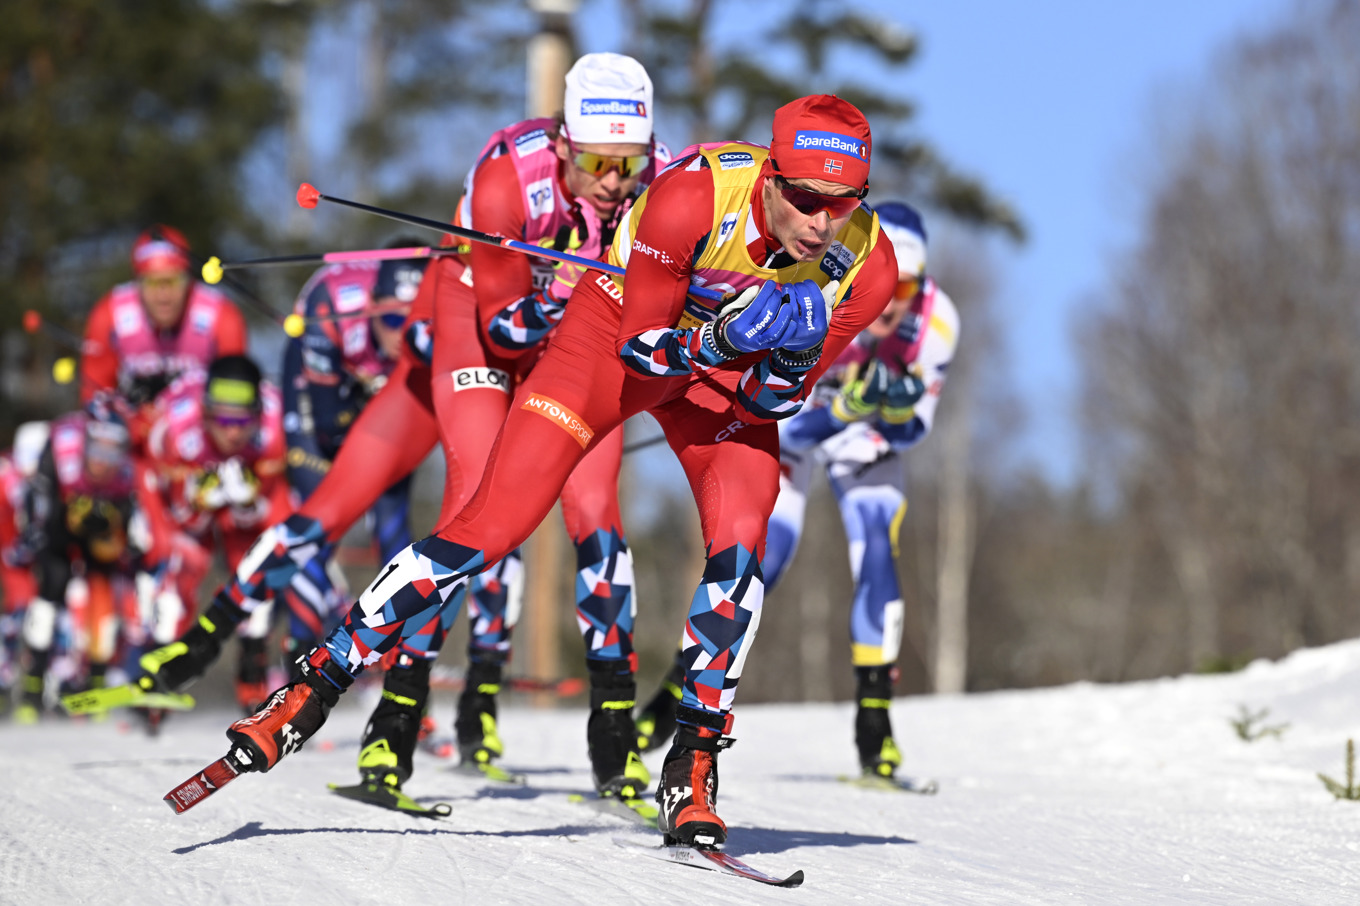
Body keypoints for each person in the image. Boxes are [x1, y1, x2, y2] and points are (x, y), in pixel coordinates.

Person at [222, 93, 898, 849]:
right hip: (615, 340)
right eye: (805, 198)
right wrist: (722, 338)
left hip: (719, 379)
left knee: (745, 539)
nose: (820, 222)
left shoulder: (868, 266)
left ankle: (694, 761)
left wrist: (794, 357)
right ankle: (315, 682)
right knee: (490, 526)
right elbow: (642, 349)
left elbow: (772, 400)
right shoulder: (692, 197)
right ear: (772, 177)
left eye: (842, 205)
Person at [144, 53, 668, 801]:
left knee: (595, 509)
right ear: (561, 144)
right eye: (596, 162)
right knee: (473, 508)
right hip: (481, 326)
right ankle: (392, 725)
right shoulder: (506, 177)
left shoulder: (667, 182)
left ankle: (614, 738)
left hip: (577, 336)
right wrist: (580, 288)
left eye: (631, 163)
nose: (617, 183)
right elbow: (508, 329)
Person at [634, 202, 959, 786]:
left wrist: (895, 411)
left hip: (865, 443)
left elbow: (916, 430)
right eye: (891, 286)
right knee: (762, 561)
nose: (893, 304)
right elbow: (789, 422)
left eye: (908, 288)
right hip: (801, 428)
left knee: (878, 552)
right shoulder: (829, 287)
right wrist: (845, 408)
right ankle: (669, 702)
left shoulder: (937, 321)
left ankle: (874, 728)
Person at [279, 249, 430, 660]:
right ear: (372, 309)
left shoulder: (431, 330)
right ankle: (297, 653)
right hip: (321, 383)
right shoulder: (332, 303)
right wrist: (366, 405)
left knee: (393, 526)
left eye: (415, 323)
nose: (403, 336)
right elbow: (328, 424)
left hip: (375, 388)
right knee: (319, 517)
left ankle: (401, 668)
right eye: (393, 322)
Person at [139, 355, 290, 712]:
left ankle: (252, 669)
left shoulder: (276, 431)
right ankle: (157, 669)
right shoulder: (175, 431)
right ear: (205, 413)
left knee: (259, 564)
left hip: (248, 510)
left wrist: (245, 504)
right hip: (185, 502)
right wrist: (197, 499)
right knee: (180, 565)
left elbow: (272, 517)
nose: (233, 432)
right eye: (222, 420)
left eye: (243, 421)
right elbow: (180, 519)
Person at [14, 399, 147, 722]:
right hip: (58, 516)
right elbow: (39, 513)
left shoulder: (125, 474)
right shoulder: (60, 453)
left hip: (98, 523)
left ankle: (96, 682)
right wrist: (62, 520)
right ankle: (33, 683)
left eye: (112, 450)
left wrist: (111, 530)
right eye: (97, 448)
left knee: (103, 586)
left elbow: (125, 536)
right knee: (53, 583)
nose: (103, 460)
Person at [81, 226, 248, 447]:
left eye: (173, 281)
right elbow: (94, 395)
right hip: (132, 445)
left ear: (189, 280)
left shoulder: (221, 315)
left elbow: (235, 398)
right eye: (151, 282)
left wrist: (180, 418)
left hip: (199, 442)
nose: (163, 296)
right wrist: (131, 421)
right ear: (137, 282)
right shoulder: (109, 315)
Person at [0, 423, 49, 715]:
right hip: (11, 560)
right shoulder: (7, 477)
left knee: (40, 617)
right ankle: (5, 686)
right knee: (15, 618)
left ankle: (39, 689)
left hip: (34, 562)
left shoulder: (49, 479)